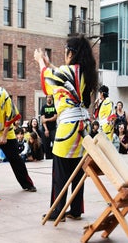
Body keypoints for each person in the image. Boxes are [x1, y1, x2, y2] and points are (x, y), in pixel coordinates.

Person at [34, 35, 98, 221]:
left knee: (60, 172)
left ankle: (57, 210)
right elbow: (63, 77)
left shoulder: (65, 72)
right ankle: (76, 209)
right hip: (83, 128)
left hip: (67, 128)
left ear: (70, 53)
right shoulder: (85, 73)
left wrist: (40, 62)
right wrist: (49, 64)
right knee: (78, 170)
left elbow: (48, 82)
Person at [40, 95, 57, 159]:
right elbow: (42, 119)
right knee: (46, 145)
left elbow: (55, 117)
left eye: (50, 97)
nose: (49, 99)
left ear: (52, 99)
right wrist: (46, 130)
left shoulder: (54, 106)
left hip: (53, 128)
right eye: (48, 97)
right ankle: (47, 158)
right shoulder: (43, 107)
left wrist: (47, 119)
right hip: (45, 128)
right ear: (46, 98)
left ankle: (55, 158)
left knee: (55, 144)